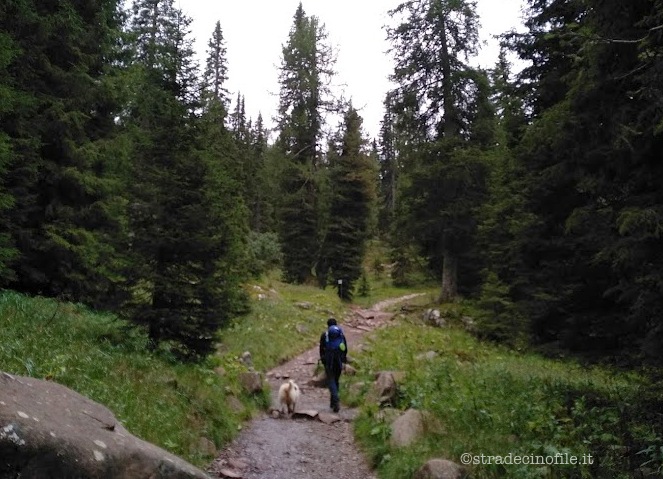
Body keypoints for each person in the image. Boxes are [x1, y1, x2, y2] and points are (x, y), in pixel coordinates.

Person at [319, 317, 348, 413]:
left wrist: (323, 360)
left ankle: (335, 400)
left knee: (331, 380)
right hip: (339, 361)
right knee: (336, 380)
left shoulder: (325, 335)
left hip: (329, 361)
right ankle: (333, 402)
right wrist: (343, 359)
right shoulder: (341, 334)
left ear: (328, 325)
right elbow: (345, 348)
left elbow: (321, 349)